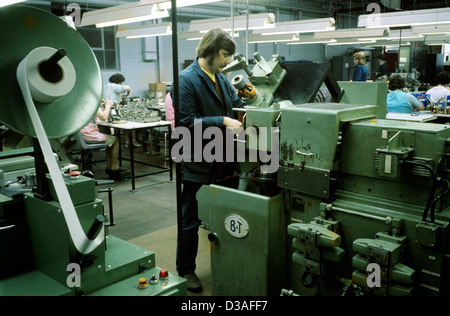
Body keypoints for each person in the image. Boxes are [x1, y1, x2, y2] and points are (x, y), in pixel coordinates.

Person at [174, 27, 247, 293]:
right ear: (210, 50)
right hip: (198, 161)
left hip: (226, 160)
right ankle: (186, 270)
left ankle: (227, 262)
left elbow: (236, 104)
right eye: (225, 54)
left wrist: (251, 103)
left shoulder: (222, 78)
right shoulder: (186, 79)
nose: (228, 60)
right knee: (190, 221)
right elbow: (184, 124)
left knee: (229, 216)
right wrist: (222, 120)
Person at [80, 99, 126, 179]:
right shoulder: (91, 103)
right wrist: (108, 105)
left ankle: (109, 167)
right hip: (90, 135)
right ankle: (114, 167)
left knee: (110, 141)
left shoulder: (81, 102)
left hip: (81, 135)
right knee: (115, 140)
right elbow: (104, 117)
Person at [104, 73, 141, 148]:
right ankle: (134, 141)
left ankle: (127, 141)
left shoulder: (107, 86)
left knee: (123, 124)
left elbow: (112, 94)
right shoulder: (114, 86)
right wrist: (128, 91)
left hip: (107, 110)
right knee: (130, 122)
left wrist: (120, 96)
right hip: (114, 109)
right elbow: (127, 88)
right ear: (119, 82)